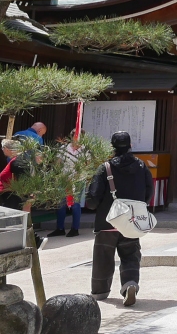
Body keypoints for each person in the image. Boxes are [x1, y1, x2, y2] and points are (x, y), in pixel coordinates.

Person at [85, 131, 153, 306]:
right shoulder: (141, 166)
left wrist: (92, 205)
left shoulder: (105, 168)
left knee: (103, 257)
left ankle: (100, 292)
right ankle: (129, 283)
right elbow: (148, 192)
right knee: (131, 254)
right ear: (130, 145)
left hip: (107, 221)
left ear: (112, 147)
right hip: (131, 221)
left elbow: (93, 198)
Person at [50, 141, 84, 238]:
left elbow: (87, 164)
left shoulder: (85, 149)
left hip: (78, 179)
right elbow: (58, 162)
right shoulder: (64, 147)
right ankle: (60, 228)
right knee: (61, 203)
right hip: (63, 178)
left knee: (75, 204)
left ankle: (75, 228)